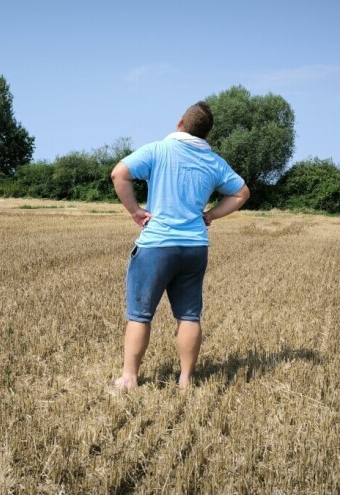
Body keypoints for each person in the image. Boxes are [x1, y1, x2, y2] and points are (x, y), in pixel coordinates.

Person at [111, 101, 250, 390]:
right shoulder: (213, 161)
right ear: (205, 134)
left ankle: (129, 377)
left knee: (140, 314)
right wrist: (210, 215)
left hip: (157, 245)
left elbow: (119, 174)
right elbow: (241, 192)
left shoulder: (158, 150)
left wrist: (135, 211)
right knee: (189, 315)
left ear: (180, 123)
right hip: (194, 248)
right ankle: (186, 379)